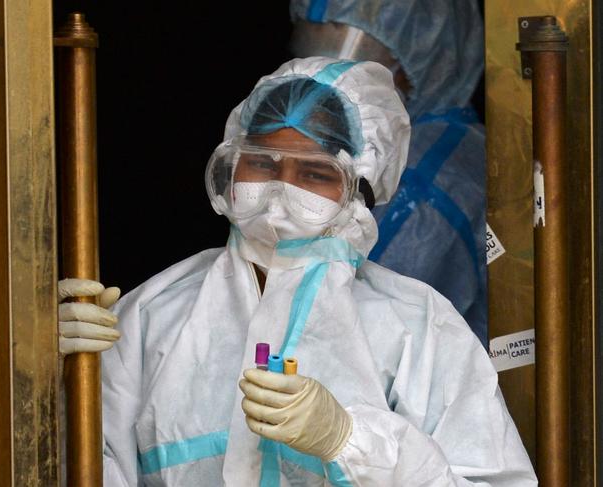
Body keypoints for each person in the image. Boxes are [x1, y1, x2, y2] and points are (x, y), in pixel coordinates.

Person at [58, 57, 536, 485]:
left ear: (361, 188)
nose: (279, 190)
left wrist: (351, 442)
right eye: (261, 164)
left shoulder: (420, 326)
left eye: (315, 172)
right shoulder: (152, 314)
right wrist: (42, 376)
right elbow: (74, 464)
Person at [289, 0, 489, 347]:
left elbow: (337, 339)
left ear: (432, 60)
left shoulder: (424, 187)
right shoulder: (427, 144)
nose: (327, 89)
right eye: (311, 55)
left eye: (361, 66)